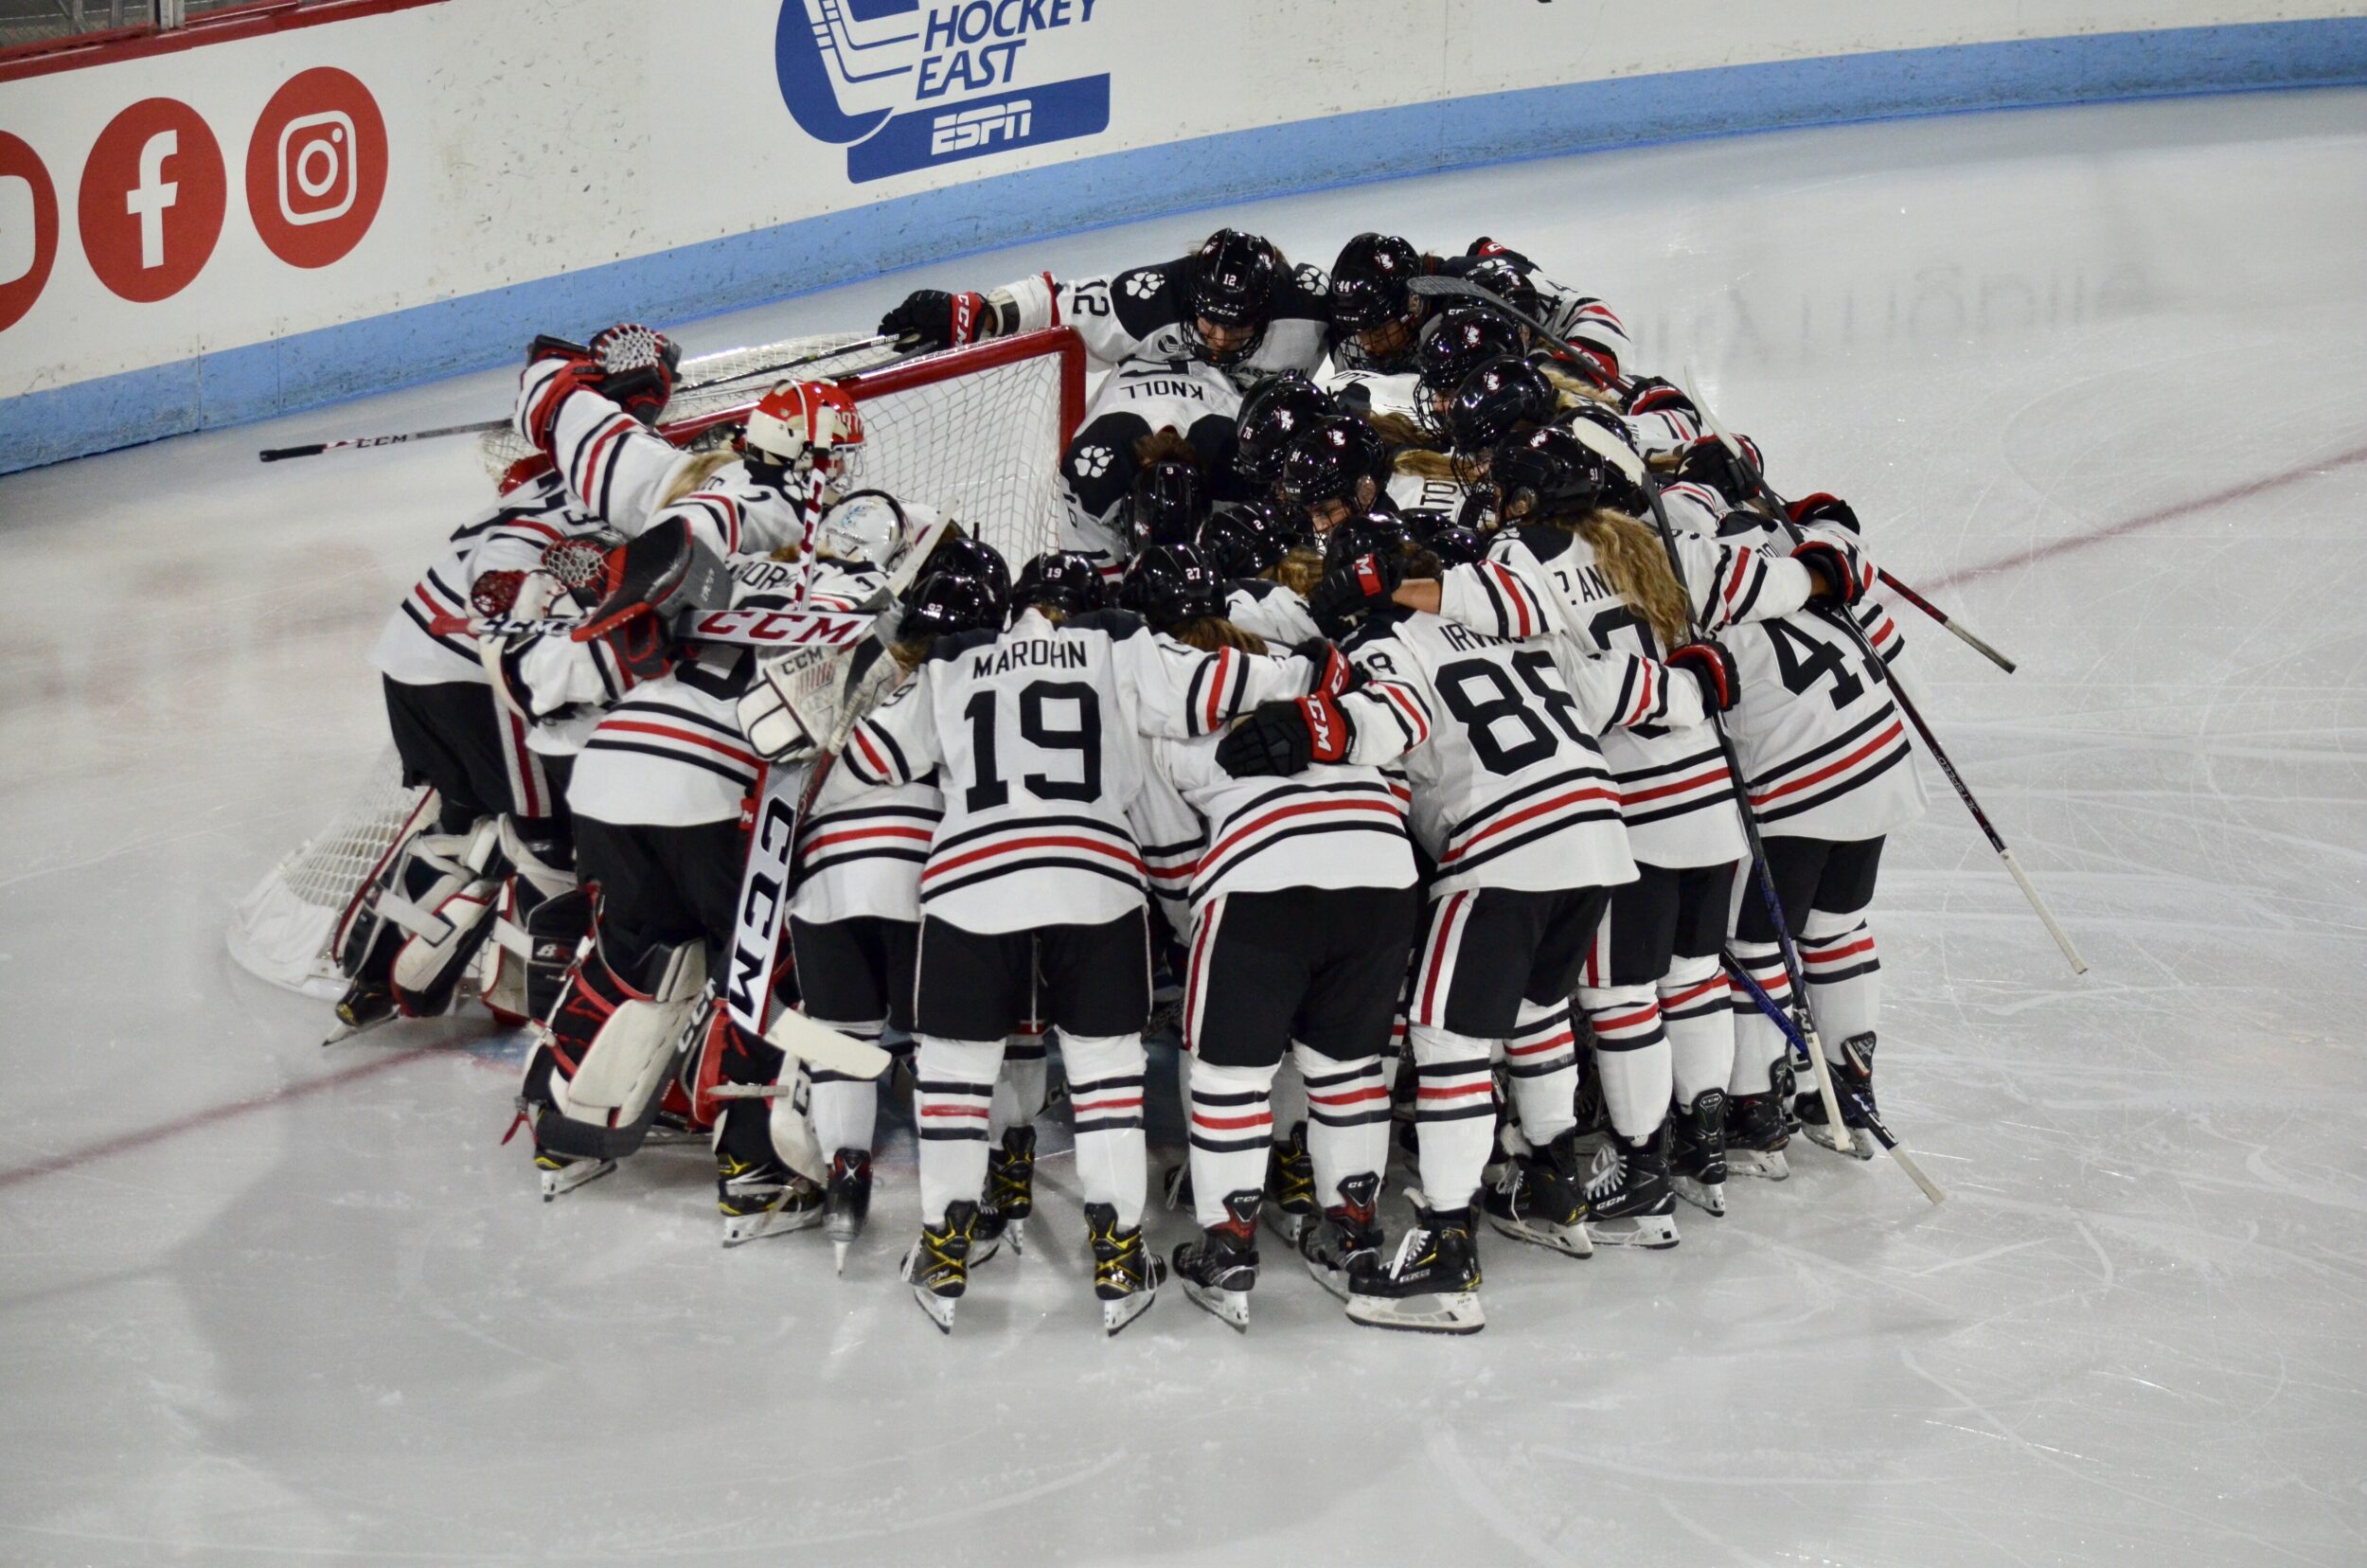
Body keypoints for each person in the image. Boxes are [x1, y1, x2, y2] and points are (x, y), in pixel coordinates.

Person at [836, 550, 1335, 1333]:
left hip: (971, 881)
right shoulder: (1118, 639)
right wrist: (1309, 668)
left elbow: (873, 757)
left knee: (956, 1077)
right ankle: (1115, 1250)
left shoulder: (954, 660)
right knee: (1107, 1076)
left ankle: (943, 1246)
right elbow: (1211, 687)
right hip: (1095, 873)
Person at [1296, 514, 1734, 1330]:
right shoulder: (1516, 624)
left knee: (1447, 1038)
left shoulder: (1377, 652)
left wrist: (1313, 728)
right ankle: (1552, 1183)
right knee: (1538, 1012)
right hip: (1602, 834)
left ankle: (1446, 1246)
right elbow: (1632, 689)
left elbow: (1384, 730)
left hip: (1502, 846)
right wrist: (1698, 683)